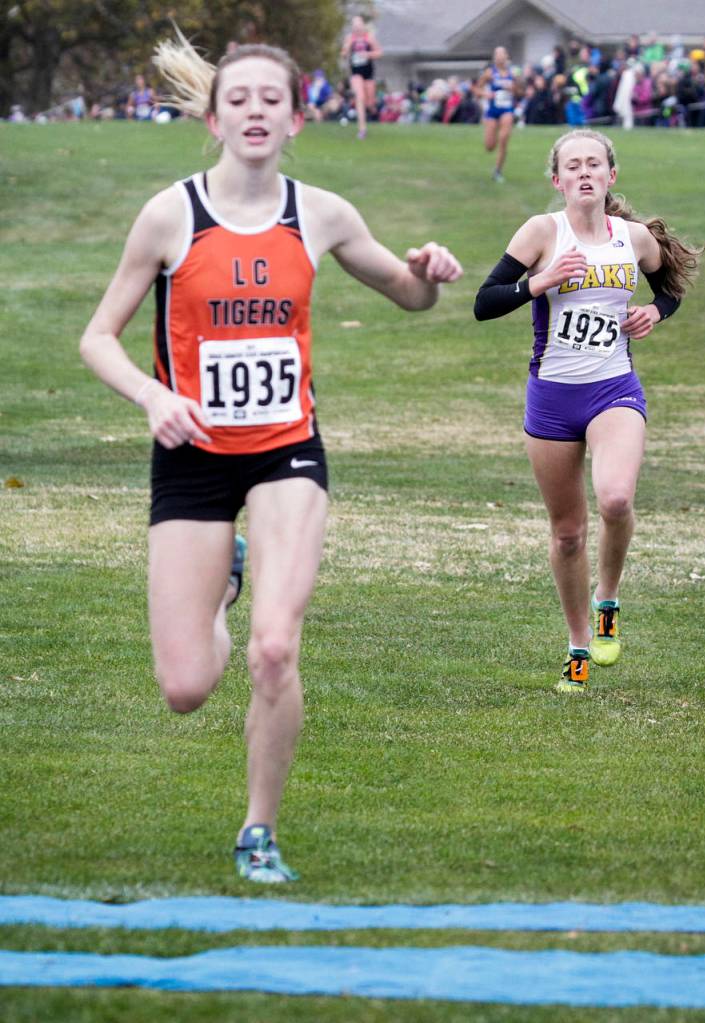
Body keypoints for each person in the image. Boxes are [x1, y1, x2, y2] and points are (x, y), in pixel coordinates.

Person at [79, 30, 462, 883]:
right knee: (184, 686)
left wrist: (426, 271)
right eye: (239, 99)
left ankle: (259, 830)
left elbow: (408, 296)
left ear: (296, 117)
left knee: (275, 650)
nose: (255, 112)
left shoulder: (320, 213)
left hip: (288, 451)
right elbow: (97, 337)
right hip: (192, 453)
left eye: (271, 100)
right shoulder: (169, 215)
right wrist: (152, 395)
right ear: (213, 117)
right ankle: (223, 579)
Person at [474, 129, 701, 692]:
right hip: (551, 398)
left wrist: (657, 313)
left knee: (616, 497)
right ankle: (578, 645)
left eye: (593, 164)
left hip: (612, 390)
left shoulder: (633, 239)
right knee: (569, 533)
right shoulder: (540, 232)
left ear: (610, 176)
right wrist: (540, 282)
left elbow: (669, 286)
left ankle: (608, 600)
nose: (583, 173)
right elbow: (484, 302)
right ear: (557, 180)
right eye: (572, 166)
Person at [476, 46, 519, 182]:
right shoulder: (489, 73)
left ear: (507, 57)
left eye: (502, 54)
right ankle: (493, 134)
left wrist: (513, 89)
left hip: (507, 110)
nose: (500, 57)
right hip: (493, 111)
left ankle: (498, 171)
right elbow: (477, 89)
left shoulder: (513, 74)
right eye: (497, 54)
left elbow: (520, 92)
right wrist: (485, 94)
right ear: (494, 57)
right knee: (489, 146)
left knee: (504, 139)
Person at [340, 15, 382, 139]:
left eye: (358, 25)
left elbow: (379, 53)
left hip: (368, 73)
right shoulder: (350, 38)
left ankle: (370, 108)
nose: (357, 28)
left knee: (369, 103)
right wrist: (346, 50)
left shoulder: (369, 38)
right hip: (356, 73)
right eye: (354, 26)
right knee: (360, 97)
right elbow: (343, 54)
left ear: (363, 26)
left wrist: (367, 54)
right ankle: (362, 129)